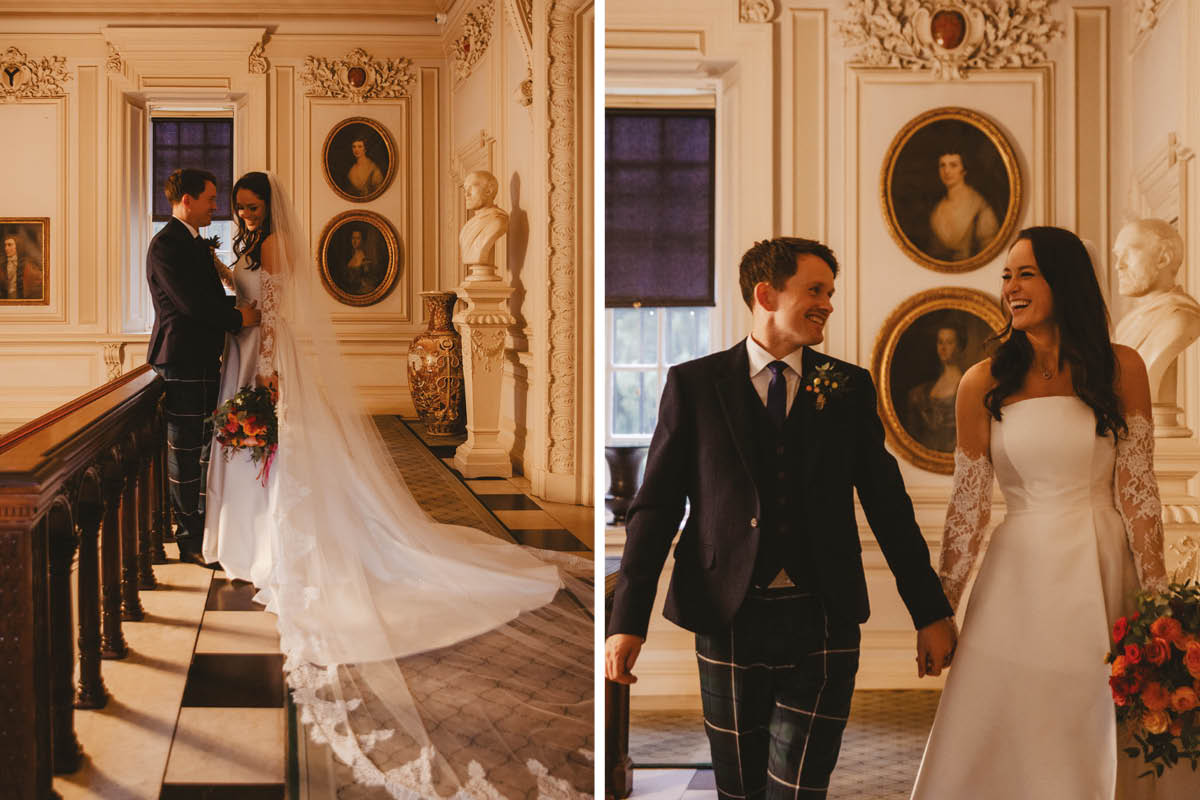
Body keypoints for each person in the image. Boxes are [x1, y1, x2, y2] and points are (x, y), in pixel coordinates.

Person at [200, 171, 592, 799]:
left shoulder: (272, 246)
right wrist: (223, 274)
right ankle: (249, 543)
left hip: (265, 358)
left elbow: (272, 316)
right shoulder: (248, 245)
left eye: (251, 208)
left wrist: (268, 375)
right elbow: (246, 295)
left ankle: (276, 548)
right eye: (240, 209)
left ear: (270, 207)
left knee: (279, 454)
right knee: (254, 459)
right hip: (243, 353)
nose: (244, 217)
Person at [606, 237, 956, 800]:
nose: (828, 304)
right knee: (739, 791)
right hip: (728, 616)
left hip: (824, 616)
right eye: (815, 291)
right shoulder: (694, 386)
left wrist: (929, 611)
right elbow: (656, 509)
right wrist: (627, 621)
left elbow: (889, 506)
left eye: (831, 292)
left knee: (798, 789)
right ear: (766, 293)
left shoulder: (847, 387)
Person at [910, 226, 1170, 798]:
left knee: (1100, 715)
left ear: (1065, 280)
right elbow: (968, 510)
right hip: (1017, 581)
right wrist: (939, 611)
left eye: (1026, 273)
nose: (1011, 287)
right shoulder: (982, 382)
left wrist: (1159, 608)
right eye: (1006, 275)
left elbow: (1139, 493)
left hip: (1105, 567)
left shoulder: (1122, 368)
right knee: (1015, 724)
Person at [145, 168, 260, 566]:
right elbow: (192, 305)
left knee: (204, 449)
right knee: (186, 450)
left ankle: (204, 529)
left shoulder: (191, 243)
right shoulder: (167, 245)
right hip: (181, 360)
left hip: (202, 358)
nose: (217, 205)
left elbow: (202, 300)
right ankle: (188, 540)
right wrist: (239, 318)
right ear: (187, 201)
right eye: (211, 199)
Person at [1112, 217, 1200, 406]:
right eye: (1117, 256)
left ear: (1163, 258)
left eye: (1129, 254)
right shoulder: (1127, 322)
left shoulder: (1180, 319)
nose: (1118, 265)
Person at [927, 150, 1000, 261]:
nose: (946, 171)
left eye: (953, 165)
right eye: (942, 165)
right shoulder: (938, 208)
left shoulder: (979, 207)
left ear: (964, 170)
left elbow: (989, 252)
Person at [905, 324, 966, 452]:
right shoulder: (923, 391)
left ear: (960, 347)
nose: (943, 348)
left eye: (949, 342)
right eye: (940, 342)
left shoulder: (966, 385)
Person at [459, 170, 509, 268]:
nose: (467, 194)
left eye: (472, 187)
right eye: (465, 189)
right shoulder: (467, 227)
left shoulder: (497, 221)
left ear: (489, 191)